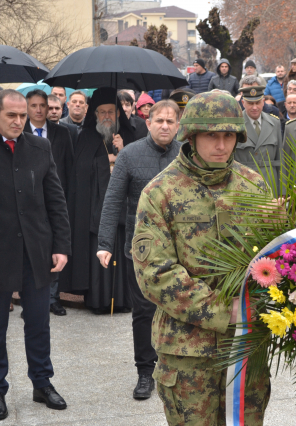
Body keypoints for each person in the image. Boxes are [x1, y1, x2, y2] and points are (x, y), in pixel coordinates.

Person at [132, 91, 271, 424]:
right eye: (212, 135)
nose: (221, 145)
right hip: (187, 354)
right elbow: (156, 275)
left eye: (228, 136)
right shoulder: (160, 192)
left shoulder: (253, 186)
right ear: (191, 136)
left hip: (245, 350)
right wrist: (225, 311)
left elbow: (275, 258)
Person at [0, 89, 71, 420]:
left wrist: (61, 245)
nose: (20, 121)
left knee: (38, 322)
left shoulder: (40, 147)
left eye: (24, 115)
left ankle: (42, 382)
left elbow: (56, 201)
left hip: (37, 251)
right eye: (12, 115)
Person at [97, 100, 181, 401]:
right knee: (144, 313)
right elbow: (112, 201)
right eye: (159, 120)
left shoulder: (188, 155)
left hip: (181, 251)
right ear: (148, 122)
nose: (165, 126)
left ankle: (174, 367)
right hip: (141, 251)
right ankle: (145, 371)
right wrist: (105, 244)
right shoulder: (130, 155)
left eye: (171, 122)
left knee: (178, 310)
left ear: (178, 125)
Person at [61, 87, 147, 313]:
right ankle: (99, 300)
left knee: (124, 250)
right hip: (96, 209)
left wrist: (124, 151)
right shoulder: (86, 136)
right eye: (102, 112)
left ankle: (125, 299)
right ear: (95, 114)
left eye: (111, 111)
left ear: (119, 113)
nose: (107, 116)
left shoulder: (131, 136)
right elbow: (79, 171)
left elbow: (142, 171)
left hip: (126, 208)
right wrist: (105, 161)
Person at [22, 90, 74, 316]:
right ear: (27, 108)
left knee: (55, 247)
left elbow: (70, 168)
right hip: (27, 201)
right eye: (33, 105)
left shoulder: (62, 133)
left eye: (42, 105)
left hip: (55, 199)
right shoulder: (19, 132)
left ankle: (52, 298)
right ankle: (28, 299)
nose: (39, 109)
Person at [237, 85, 282, 189]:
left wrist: (282, 189)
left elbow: (280, 158)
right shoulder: (236, 123)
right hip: (243, 182)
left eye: (257, 103)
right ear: (243, 103)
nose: (254, 107)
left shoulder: (274, 122)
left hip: (270, 182)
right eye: (250, 103)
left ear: (263, 102)